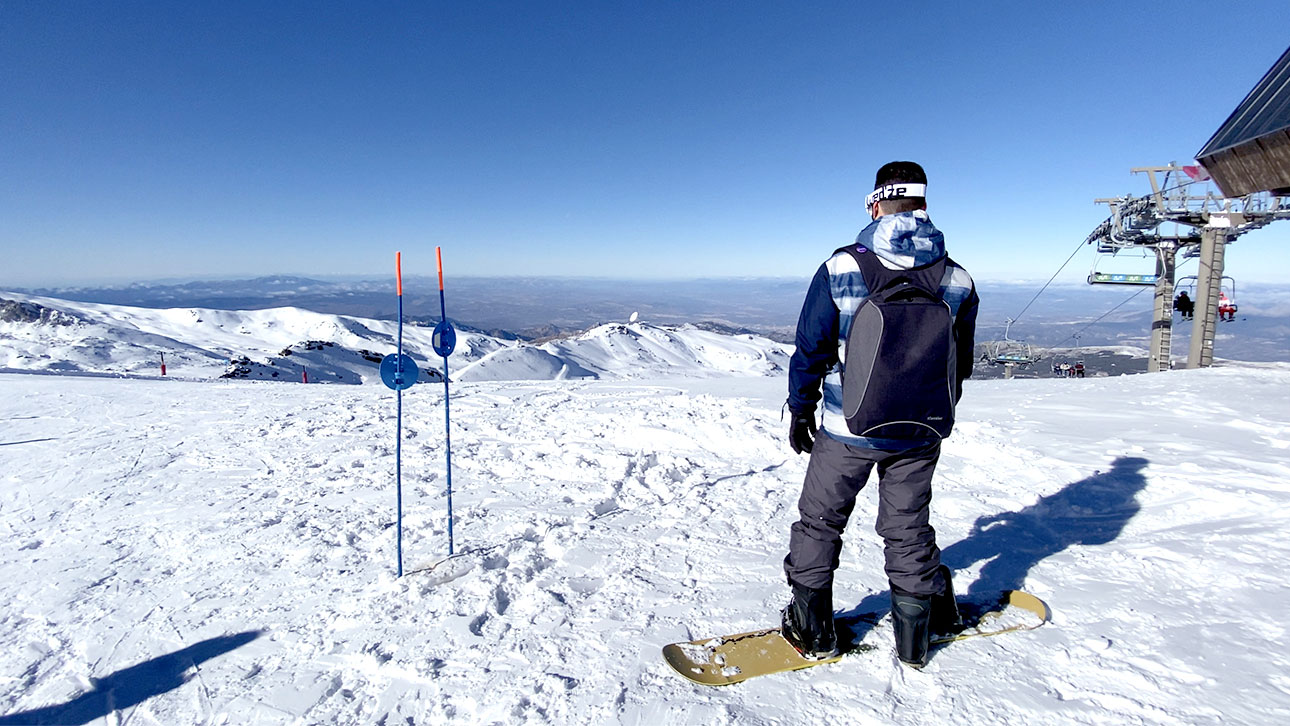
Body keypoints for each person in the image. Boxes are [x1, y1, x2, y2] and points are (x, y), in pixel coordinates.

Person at [782, 161, 979, 668]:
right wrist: (935, 411)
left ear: (874, 204)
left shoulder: (843, 266)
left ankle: (812, 627)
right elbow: (962, 360)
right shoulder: (957, 276)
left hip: (847, 426)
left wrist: (802, 410)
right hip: (921, 429)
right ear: (924, 205)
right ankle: (917, 633)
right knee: (908, 524)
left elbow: (811, 348)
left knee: (820, 522)